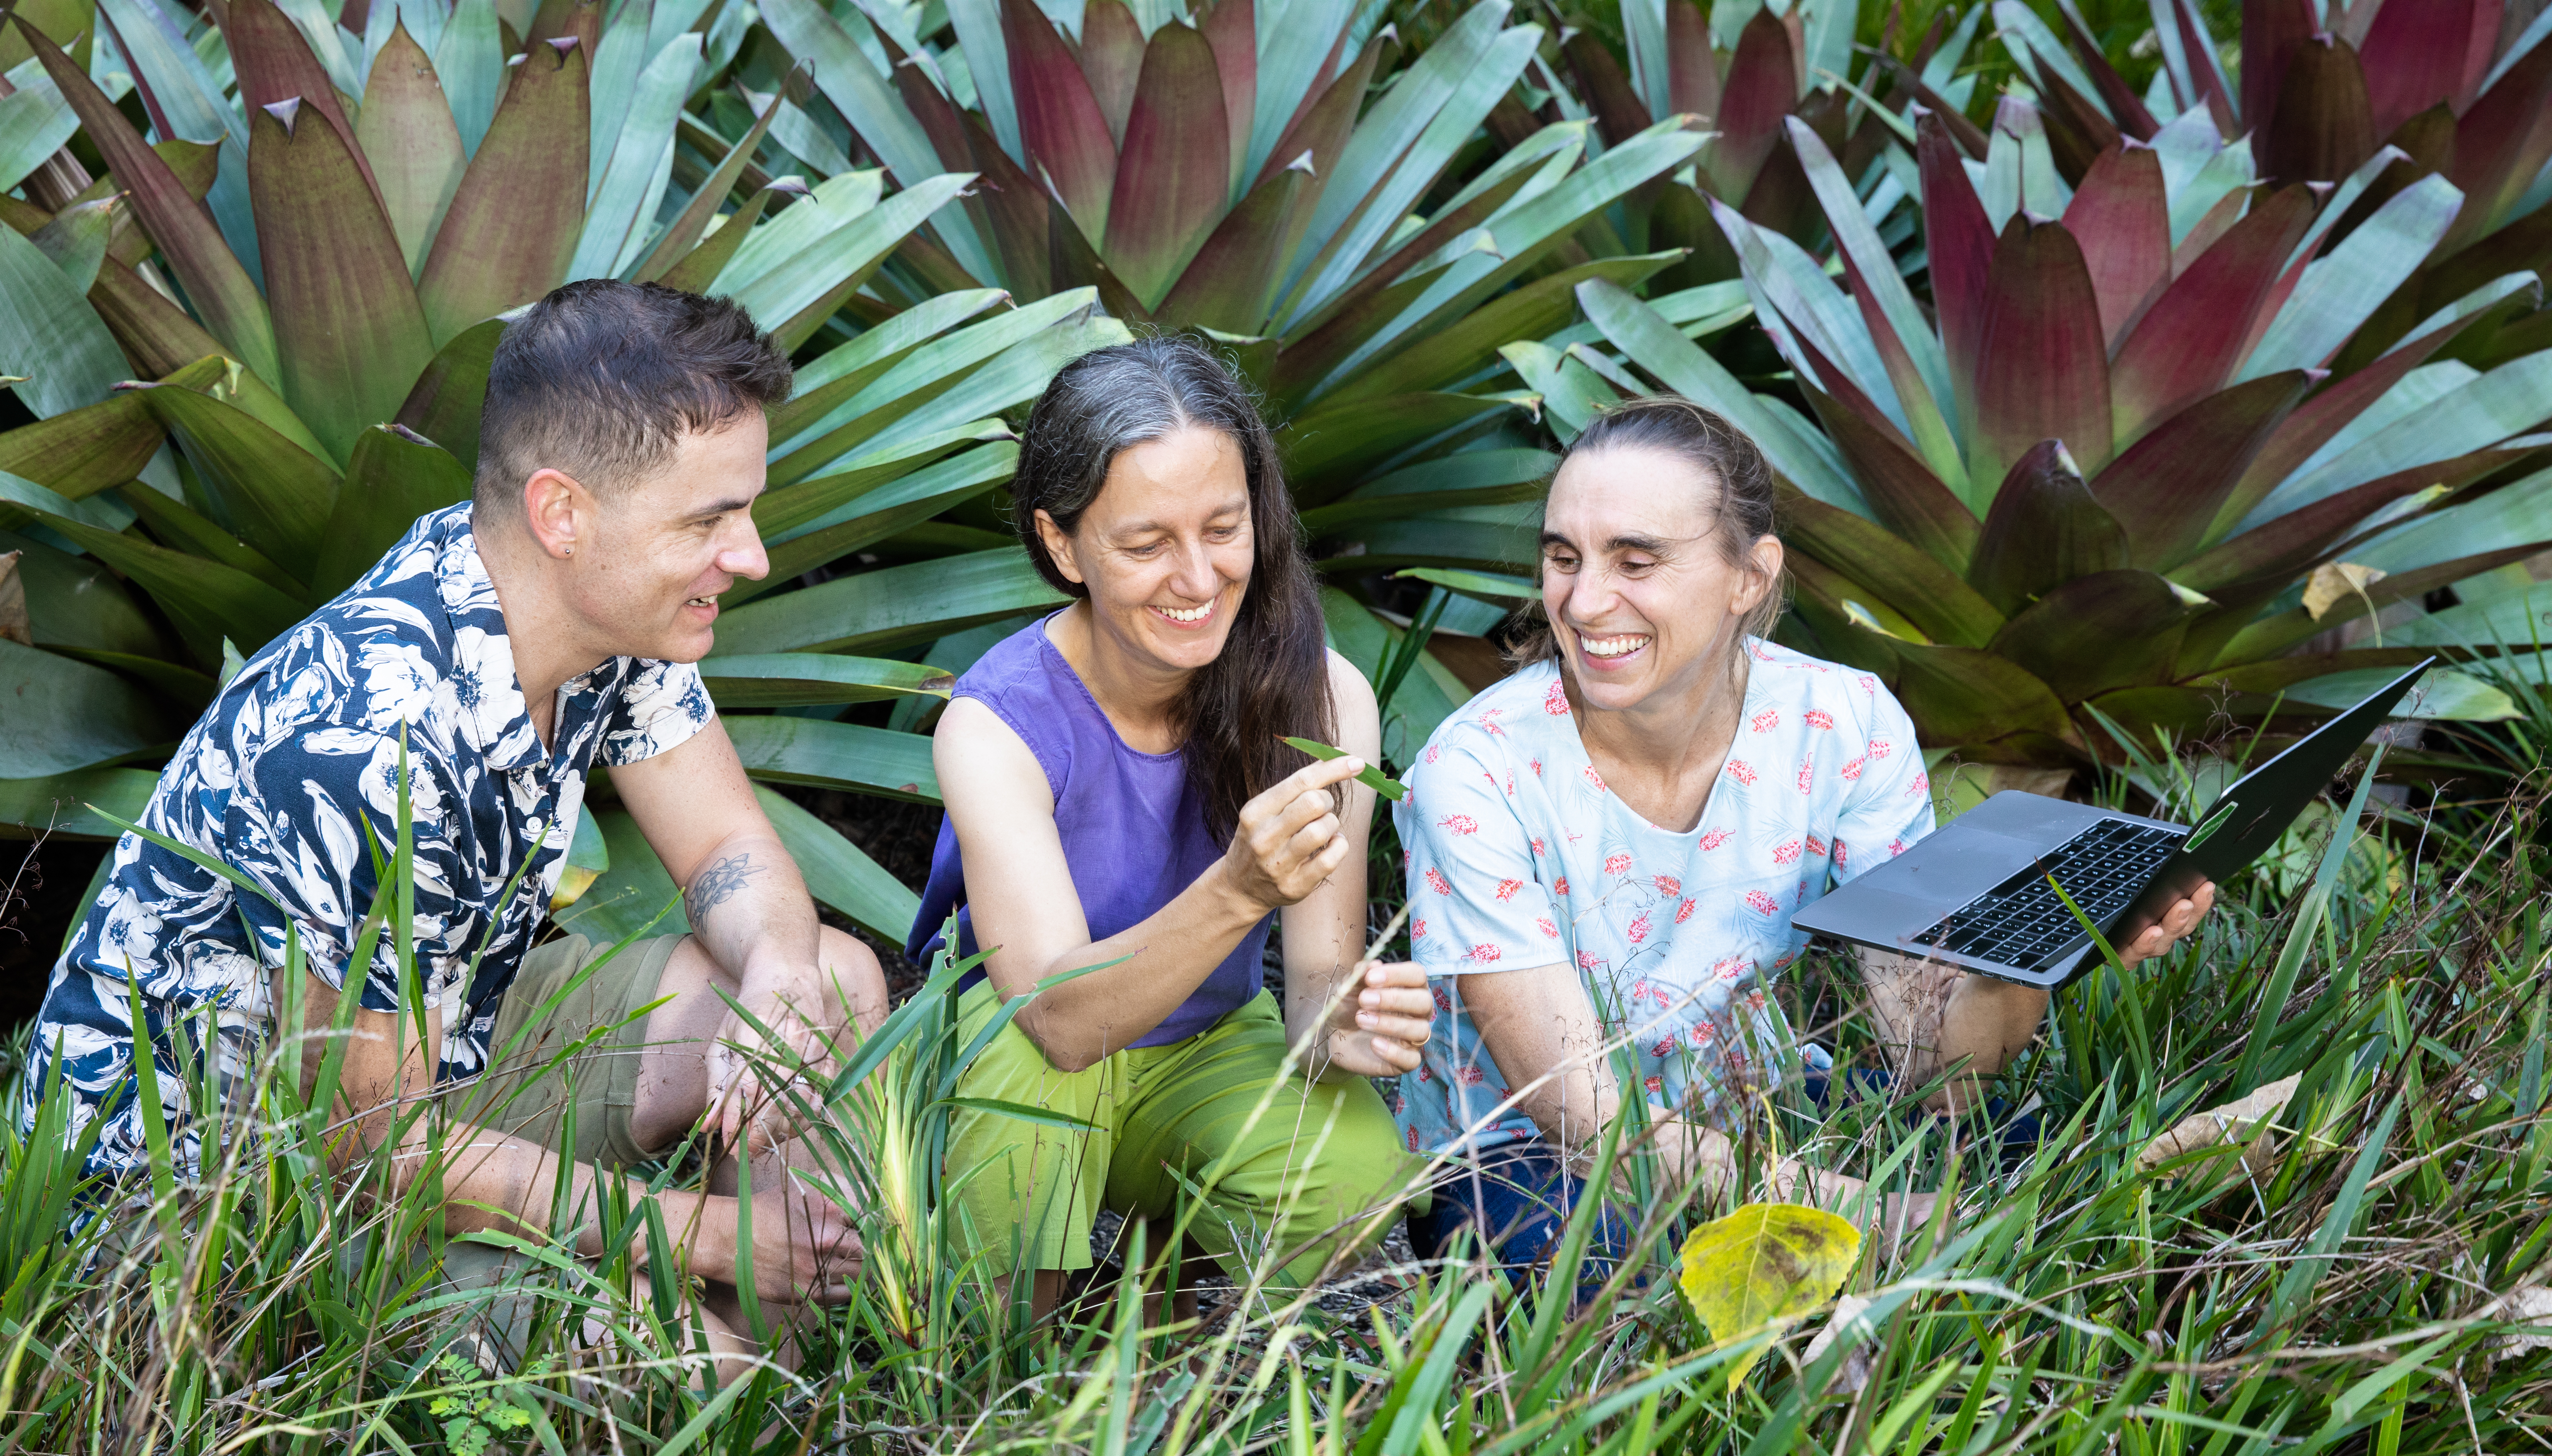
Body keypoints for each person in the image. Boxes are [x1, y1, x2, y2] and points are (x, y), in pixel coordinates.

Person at [19, 281, 884, 1361]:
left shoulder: (587, 603)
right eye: (708, 521)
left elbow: (726, 849)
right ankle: (725, 1391)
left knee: (826, 989)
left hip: (429, 1064)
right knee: (670, 1366)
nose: (749, 555)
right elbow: (372, 1157)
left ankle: (780, 1398)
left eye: (743, 510)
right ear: (563, 513)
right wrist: (703, 1238)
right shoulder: (374, 739)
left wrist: (781, 972)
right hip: (234, 1205)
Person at [1394, 397, 2217, 1272]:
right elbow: (1584, 1115)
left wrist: (2032, 951)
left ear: (1749, 576)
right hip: (1534, 1156)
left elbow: (1934, 1060)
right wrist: (1859, 1209)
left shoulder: (1843, 722)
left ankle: (1964, 1239)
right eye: (1564, 558)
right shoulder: (1476, 769)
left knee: (2013, 1139)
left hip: (1755, 1104)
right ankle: (1941, 1251)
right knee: (1592, 1256)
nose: (1587, 601)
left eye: (1636, 560)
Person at [907, 336, 1434, 1313]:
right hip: (1019, 1053)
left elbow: (1315, 985)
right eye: (1146, 544)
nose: (1198, 579)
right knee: (1031, 1088)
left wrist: (1343, 1023)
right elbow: (1058, 1022)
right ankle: (1000, 1385)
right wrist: (1237, 888)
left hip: (1206, 1047)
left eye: (1223, 529)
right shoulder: (995, 725)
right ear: (1062, 545)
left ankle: (1178, 1319)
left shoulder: (1322, 698)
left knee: (1355, 1165)